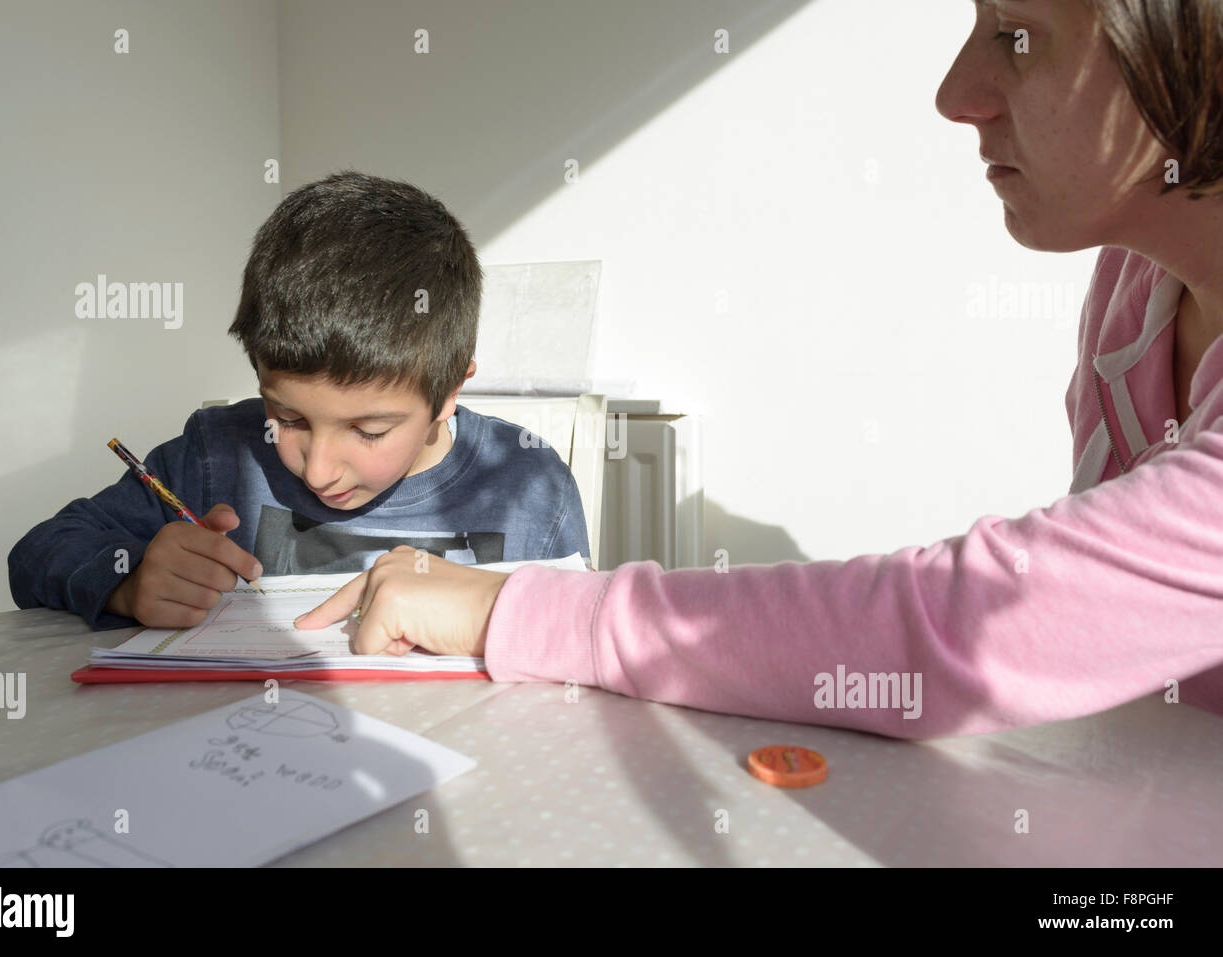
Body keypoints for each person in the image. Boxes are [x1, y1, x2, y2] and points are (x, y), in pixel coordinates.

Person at [295, 1, 1223, 736]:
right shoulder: (1137, 278)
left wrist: (521, 611)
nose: (956, 91)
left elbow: (971, 627)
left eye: (1016, 36)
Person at [7, 171, 590, 630]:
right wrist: (128, 582)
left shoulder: (530, 487)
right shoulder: (216, 457)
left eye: (369, 431)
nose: (317, 468)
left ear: (449, 392)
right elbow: (36, 555)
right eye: (287, 418)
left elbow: (573, 634)